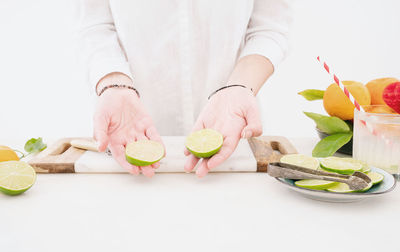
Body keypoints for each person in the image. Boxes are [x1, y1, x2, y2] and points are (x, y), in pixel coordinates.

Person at [78, 0, 292, 177]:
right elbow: (96, 25)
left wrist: (240, 86)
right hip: (124, 140)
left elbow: (269, 27)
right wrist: (114, 84)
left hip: (234, 141)